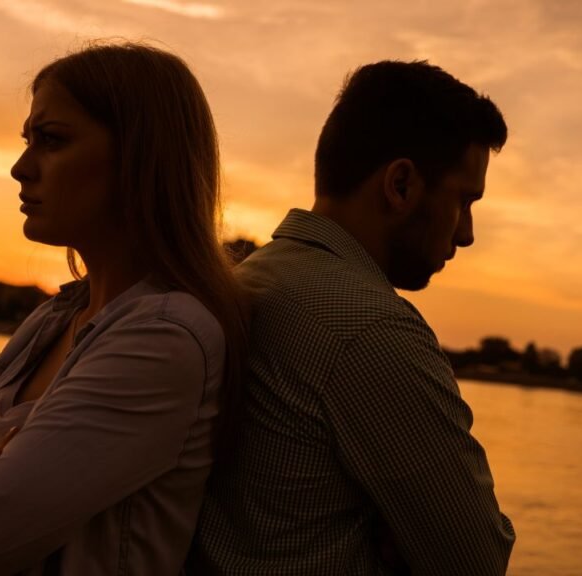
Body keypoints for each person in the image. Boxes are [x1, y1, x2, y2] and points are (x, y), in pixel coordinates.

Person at [0, 42, 245, 576]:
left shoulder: (162, 341)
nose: (20, 168)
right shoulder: (57, 317)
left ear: (140, 159)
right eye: (27, 140)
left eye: (51, 140)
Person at [188, 60, 516, 574]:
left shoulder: (246, 279)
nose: (467, 233)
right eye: (464, 201)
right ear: (401, 185)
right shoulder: (370, 331)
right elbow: (476, 561)